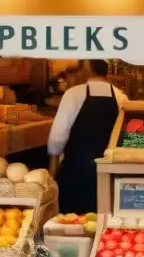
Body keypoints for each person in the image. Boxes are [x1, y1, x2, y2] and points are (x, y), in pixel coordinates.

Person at [47, 60, 127, 215]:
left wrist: (52, 171)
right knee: (103, 219)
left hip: (76, 173)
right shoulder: (120, 96)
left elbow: (57, 137)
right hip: (108, 174)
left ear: (88, 68)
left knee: (72, 222)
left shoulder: (73, 94)